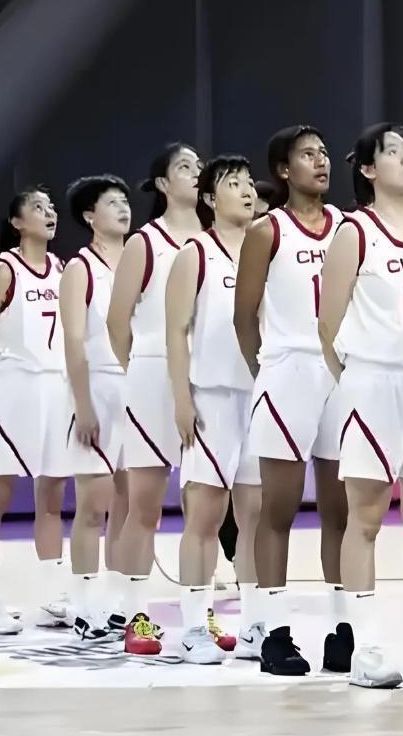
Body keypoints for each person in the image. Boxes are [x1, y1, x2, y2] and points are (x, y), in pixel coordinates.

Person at [317, 124, 403, 689]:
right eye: (393, 152)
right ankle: (365, 645)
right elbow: (328, 324)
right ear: (368, 169)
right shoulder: (355, 232)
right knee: (364, 518)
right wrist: (354, 381)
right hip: (373, 381)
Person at [233, 125, 347, 676]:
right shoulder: (267, 230)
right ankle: (274, 632)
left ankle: (345, 630)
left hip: (340, 372)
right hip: (288, 370)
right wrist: (268, 372)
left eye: (324, 152)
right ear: (283, 169)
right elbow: (243, 316)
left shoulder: (348, 227)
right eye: (307, 154)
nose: (320, 161)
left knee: (341, 511)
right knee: (277, 509)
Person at [106, 142, 205, 655]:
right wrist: (143, 369)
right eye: (185, 167)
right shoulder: (146, 243)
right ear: (163, 184)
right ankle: (132, 615)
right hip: (152, 373)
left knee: (204, 507)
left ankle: (197, 616)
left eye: (199, 166)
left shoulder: (217, 237)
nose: (196, 173)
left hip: (208, 375)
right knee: (144, 506)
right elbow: (116, 322)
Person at [165, 155, 262, 664]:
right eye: (233, 184)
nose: (246, 191)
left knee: (256, 518)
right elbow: (176, 331)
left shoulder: (268, 249)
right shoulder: (196, 254)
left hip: (261, 397)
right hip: (214, 399)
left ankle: (255, 627)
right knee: (205, 516)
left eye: (249, 183)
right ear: (208, 198)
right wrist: (182, 399)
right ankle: (192, 628)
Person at [0, 186, 68, 634]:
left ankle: (52, 597)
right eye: (38, 208)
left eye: (51, 207)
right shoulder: (3, 270)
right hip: (14, 388)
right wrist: (5, 377)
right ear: (16, 222)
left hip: (56, 389)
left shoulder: (62, 269)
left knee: (52, 497)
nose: (49, 213)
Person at [60, 175, 133, 640]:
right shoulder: (80, 268)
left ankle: (121, 600)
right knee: (93, 505)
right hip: (98, 387)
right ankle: (85, 604)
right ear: (90, 216)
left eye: (125, 201)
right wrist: (83, 405)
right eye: (112, 203)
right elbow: (73, 339)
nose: (124, 208)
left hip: (138, 388)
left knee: (131, 503)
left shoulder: (140, 261)